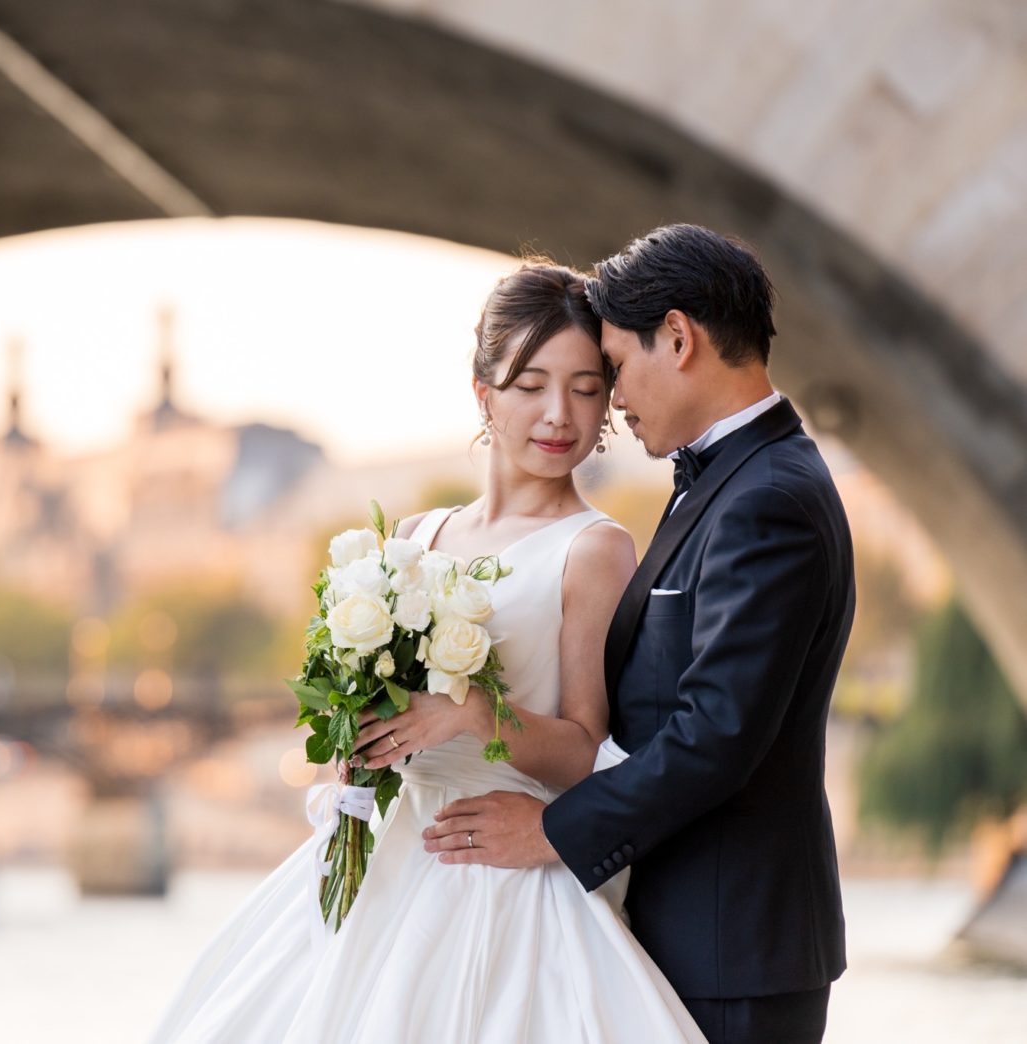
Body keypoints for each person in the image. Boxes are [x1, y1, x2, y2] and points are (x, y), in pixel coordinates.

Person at [149, 262, 706, 1043]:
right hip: (387, 858)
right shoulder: (417, 538)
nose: (559, 414)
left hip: (501, 873)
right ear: (484, 394)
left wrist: (474, 715)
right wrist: (359, 742)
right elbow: (378, 718)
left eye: (586, 388)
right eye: (530, 384)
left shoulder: (595, 549)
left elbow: (587, 751)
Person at [440, 225, 854, 1044]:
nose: (614, 405)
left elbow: (717, 733)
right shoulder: (727, 482)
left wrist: (551, 831)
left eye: (615, 371)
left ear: (678, 337)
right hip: (685, 930)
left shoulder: (766, 498)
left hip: (733, 946)